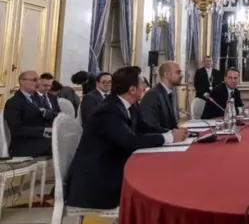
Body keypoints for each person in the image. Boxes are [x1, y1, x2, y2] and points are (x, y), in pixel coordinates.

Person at [65, 66, 188, 209]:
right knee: (156, 180)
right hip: (96, 182)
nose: (145, 87)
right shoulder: (108, 111)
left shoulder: (130, 105)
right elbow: (130, 141)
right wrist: (169, 138)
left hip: (114, 166)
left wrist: (172, 132)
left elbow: (146, 128)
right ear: (132, 90)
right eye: (142, 83)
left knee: (160, 173)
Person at [3, 71, 55, 157]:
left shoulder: (39, 98)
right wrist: (45, 131)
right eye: (34, 80)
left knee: (65, 139)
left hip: (41, 138)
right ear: (22, 81)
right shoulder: (13, 103)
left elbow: (51, 114)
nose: (38, 83)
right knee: (58, 144)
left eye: (38, 79)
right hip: (24, 144)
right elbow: (17, 129)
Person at [138, 61, 183, 131]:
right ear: (167, 74)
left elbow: (172, 124)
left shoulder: (170, 93)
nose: (181, 76)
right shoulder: (152, 95)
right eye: (178, 72)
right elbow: (151, 127)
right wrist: (173, 134)